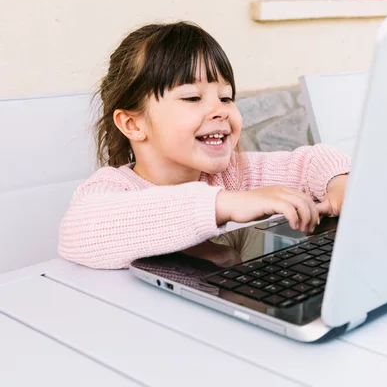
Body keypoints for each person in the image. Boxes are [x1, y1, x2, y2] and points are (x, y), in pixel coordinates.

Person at [57, 21, 351, 270]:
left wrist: (338, 183)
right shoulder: (115, 187)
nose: (220, 110)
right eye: (192, 98)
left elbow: (312, 161)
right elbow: (79, 230)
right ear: (133, 124)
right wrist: (224, 204)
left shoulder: (234, 174)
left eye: (225, 97)